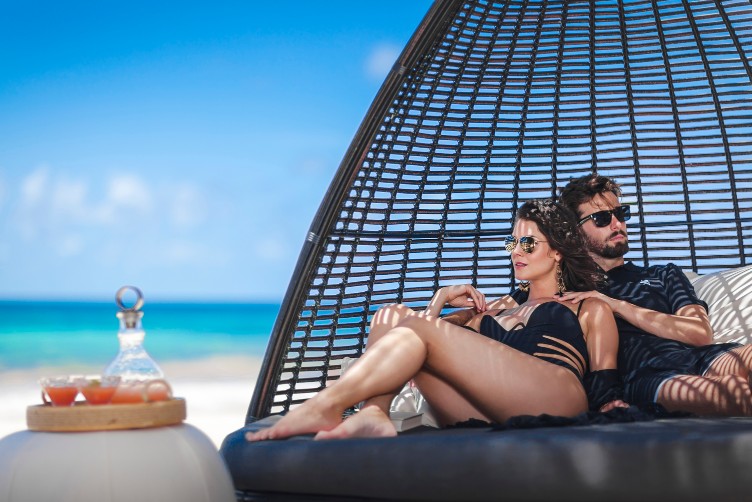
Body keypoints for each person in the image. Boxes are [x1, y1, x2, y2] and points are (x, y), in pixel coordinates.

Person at [247, 200, 626, 442]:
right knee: (391, 315)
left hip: (558, 398)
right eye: (511, 243)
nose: (516, 252)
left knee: (411, 324)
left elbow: (605, 380)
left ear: (557, 251)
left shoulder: (585, 306)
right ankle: (374, 413)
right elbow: (414, 339)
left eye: (527, 243)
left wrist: (617, 410)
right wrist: (440, 298)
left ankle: (326, 404)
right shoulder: (492, 309)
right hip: (490, 412)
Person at [555, 173, 752, 416]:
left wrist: (618, 306)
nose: (617, 224)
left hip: (701, 356)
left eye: (620, 213)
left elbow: (699, 333)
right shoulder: (571, 289)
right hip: (648, 377)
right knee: (733, 392)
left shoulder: (664, 274)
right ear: (575, 232)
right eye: (602, 218)